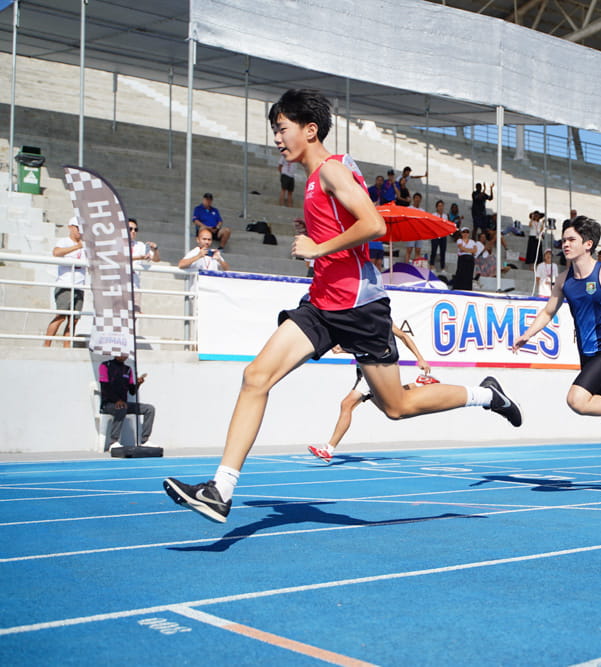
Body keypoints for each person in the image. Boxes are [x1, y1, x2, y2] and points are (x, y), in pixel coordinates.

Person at [163, 89, 521, 523]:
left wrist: (318, 246)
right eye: (275, 129)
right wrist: (321, 241)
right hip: (321, 304)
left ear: (309, 130)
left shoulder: (332, 170)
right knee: (255, 376)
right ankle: (221, 488)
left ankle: (487, 395)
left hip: (359, 306)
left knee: (397, 408)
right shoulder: (314, 180)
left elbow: (371, 224)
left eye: (282, 128)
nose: (277, 138)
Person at [512, 216, 601, 489]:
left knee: (576, 400)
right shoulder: (564, 280)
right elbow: (549, 310)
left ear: (587, 244)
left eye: (571, 240)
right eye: (563, 240)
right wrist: (527, 335)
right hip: (587, 353)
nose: (565, 244)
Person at [308, 325, 433, 461]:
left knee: (347, 404)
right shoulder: (355, 323)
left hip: (375, 369)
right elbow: (361, 345)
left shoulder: (380, 320)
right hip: (363, 371)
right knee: (390, 405)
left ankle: (328, 449)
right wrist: (342, 349)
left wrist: (420, 358)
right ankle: (419, 383)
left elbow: (403, 336)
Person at [99, 352, 156, 451]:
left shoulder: (128, 370)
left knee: (149, 409)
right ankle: (113, 442)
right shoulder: (105, 366)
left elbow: (132, 391)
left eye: (125, 354)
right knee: (121, 407)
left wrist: (138, 384)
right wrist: (117, 400)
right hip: (108, 404)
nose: (123, 356)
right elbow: (105, 388)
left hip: (123, 404)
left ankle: (145, 440)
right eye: (120, 353)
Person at [45, 217, 87, 348]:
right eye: (78, 227)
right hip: (65, 285)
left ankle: (67, 346)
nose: (80, 231)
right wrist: (78, 246)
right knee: (61, 316)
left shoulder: (86, 245)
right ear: (70, 227)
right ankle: (46, 345)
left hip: (80, 286)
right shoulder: (64, 241)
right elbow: (56, 252)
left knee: (74, 319)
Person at [128, 218, 160, 313]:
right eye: (130, 229)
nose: (133, 231)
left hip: (135, 287)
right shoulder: (117, 243)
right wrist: (139, 258)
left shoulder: (140, 245)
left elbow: (156, 259)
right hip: (119, 287)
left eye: (135, 229)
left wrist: (155, 249)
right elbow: (120, 258)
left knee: (134, 318)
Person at [428, 200, 449, 271]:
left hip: (443, 235)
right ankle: (431, 265)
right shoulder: (433, 215)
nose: (441, 207)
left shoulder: (445, 216)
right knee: (434, 250)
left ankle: (442, 267)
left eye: (442, 206)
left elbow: (446, 225)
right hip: (435, 235)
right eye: (439, 206)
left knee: (443, 251)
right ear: (436, 207)